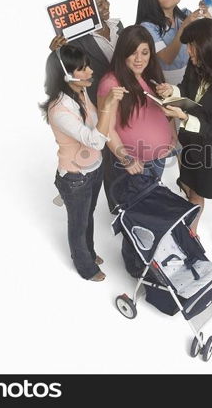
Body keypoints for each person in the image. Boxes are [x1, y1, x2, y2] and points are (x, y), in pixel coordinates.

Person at [155, 19, 212, 267]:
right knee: (195, 192)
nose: (189, 53)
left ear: (208, 46)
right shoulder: (197, 65)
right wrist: (170, 91)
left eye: (192, 47)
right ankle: (191, 234)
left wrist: (182, 116)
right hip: (193, 146)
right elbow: (185, 90)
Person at [40, 44, 127, 281]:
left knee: (88, 215)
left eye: (88, 66)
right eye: (83, 69)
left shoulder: (80, 91)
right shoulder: (58, 109)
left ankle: (88, 252)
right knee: (78, 225)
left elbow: (95, 126)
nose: (90, 72)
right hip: (75, 178)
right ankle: (85, 267)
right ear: (66, 75)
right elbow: (95, 140)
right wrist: (108, 106)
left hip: (94, 169)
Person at [96, 25, 176, 209]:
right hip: (135, 164)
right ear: (123, 53)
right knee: (137, 212)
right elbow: (106, 129)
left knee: (151, 208)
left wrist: (172, 135)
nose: (139, 59)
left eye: (145, 52)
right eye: (133, 53)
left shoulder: (152, 75)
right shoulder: (110, 83)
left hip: (158, 158)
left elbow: (165, 109)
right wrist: (126, 159)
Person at [49, 0, 124, 105]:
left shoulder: (118, 26)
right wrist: (57, 52)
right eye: (99, 5)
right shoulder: (74, 42)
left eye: (105, 0)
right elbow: (68, 72)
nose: (106, 6)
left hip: (127, 95)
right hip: (102, 101)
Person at [135, 0, 209, 85]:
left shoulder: (185, 15)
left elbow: (209, 37)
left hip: (192, 75)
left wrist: (205, 13)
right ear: (154, 3)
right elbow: (167, 58)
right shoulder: (148, 27)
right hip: (166, 82)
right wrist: (184, 27)